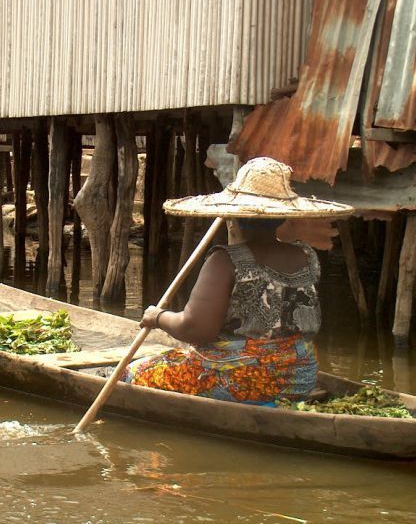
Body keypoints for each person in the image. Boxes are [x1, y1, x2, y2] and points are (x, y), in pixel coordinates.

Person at [122, 157, 353, 405]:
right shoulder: (306, 255)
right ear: (283, 217)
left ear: (234, 216)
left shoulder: (226, 260)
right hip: (299, 375)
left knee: (136, 371)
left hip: (242, 379)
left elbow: (195, 329)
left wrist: (157, 317)